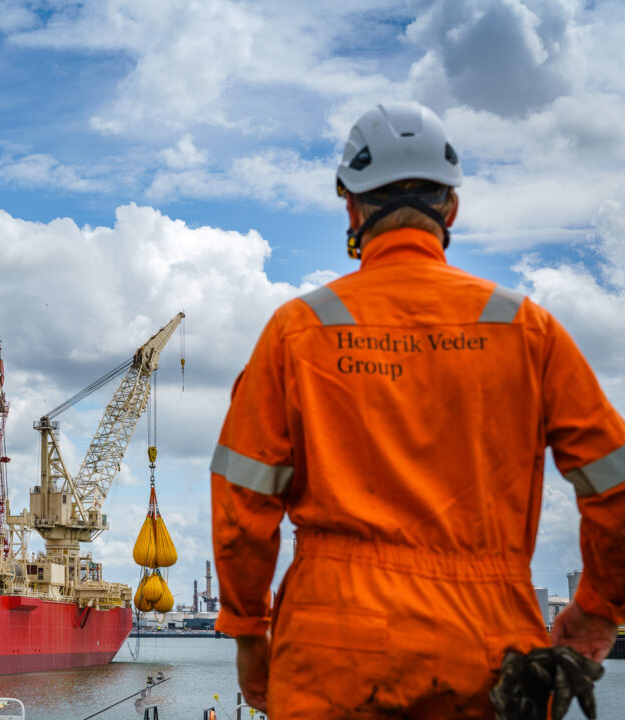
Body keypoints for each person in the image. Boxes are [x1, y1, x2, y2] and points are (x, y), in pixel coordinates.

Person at [210, 101, 625, 718]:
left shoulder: (299, 331)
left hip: (332, 648)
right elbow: (615, 485)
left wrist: (249, 631)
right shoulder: (524, 329)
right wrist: (596, 608)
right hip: (487, 649)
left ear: (351, 207)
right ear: (450, 207)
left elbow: (243, 505)